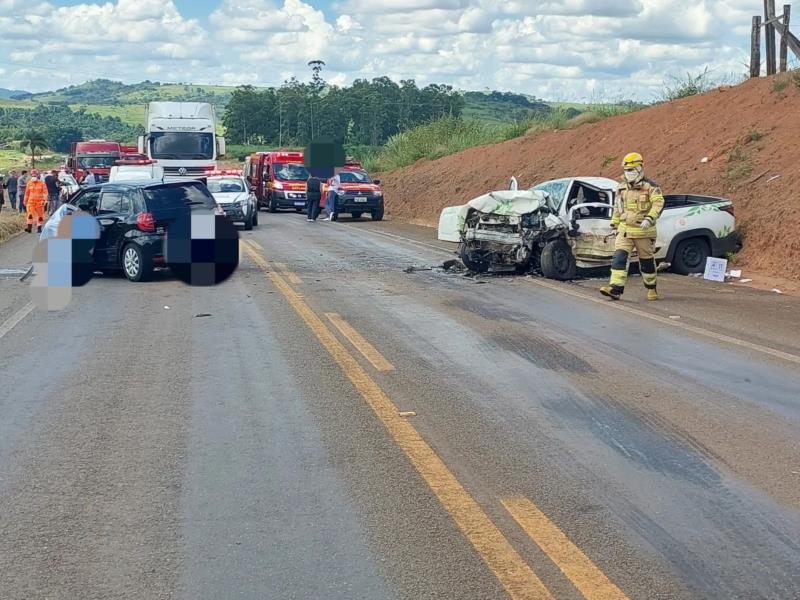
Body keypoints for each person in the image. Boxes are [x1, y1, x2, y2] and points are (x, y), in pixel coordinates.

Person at [600, 152, 665, 301]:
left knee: (647, 263)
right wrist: (614, 224)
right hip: (625, 231)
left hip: (644, 232)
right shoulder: (622, 188)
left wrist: (649, 218)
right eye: (626, 170)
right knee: (619, 258)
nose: (629, 173)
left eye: (631, 170)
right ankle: (615, 289)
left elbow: (658, 203)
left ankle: (651, 287)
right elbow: (618, 207)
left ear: (640, 168)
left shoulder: (651, 187)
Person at [24, 169, 48, 234]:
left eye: (35, 174)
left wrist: (44, 200)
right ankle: (29, 228)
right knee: (30, 215)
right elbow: (27, 193)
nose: (34, 176)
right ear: (31, 175)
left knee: (40, 216)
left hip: (39, 203)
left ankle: (39, 228)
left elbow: (45, 193)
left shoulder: (42, 183)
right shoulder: (29, 183)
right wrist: (25, 201)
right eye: (33, 175)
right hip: (30, 202)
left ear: (38, 175)